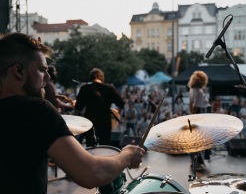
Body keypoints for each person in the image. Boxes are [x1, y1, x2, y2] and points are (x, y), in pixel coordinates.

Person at [0, 32, 144, 194]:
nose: (47, 78)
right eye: (42, 70)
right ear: (18, 71)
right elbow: (91, 173)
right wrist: (128, 155)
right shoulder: (36, 110)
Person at [75, 68, 125, 146]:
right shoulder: (110, 88)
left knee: (91, 147)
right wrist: (117, 115)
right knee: (105, 147)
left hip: (90, 122)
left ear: (91, 77)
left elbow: (78, 107)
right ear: (101, 77)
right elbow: (121, 104)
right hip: (105, 122)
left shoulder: (84, 88)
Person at [187, 71, 210, 170]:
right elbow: (196, 106)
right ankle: (199, 162)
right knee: (200, 141)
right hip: (199, 116)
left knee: (194, 140)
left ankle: (194, 161)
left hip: (194, 116)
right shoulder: (199, 92)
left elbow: (190, 104)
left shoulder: (192, 90)